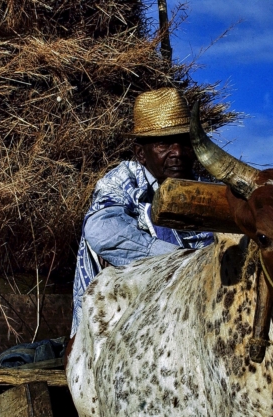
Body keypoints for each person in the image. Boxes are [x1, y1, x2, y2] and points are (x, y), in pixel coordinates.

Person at [71, 88, 214, 336]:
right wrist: (182, 261)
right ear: (140, 153)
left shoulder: (208, 190)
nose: (178, 153)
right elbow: (102, 230)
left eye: (184, 142)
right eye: (164, 144)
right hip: (130, 323)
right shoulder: (124, 180)